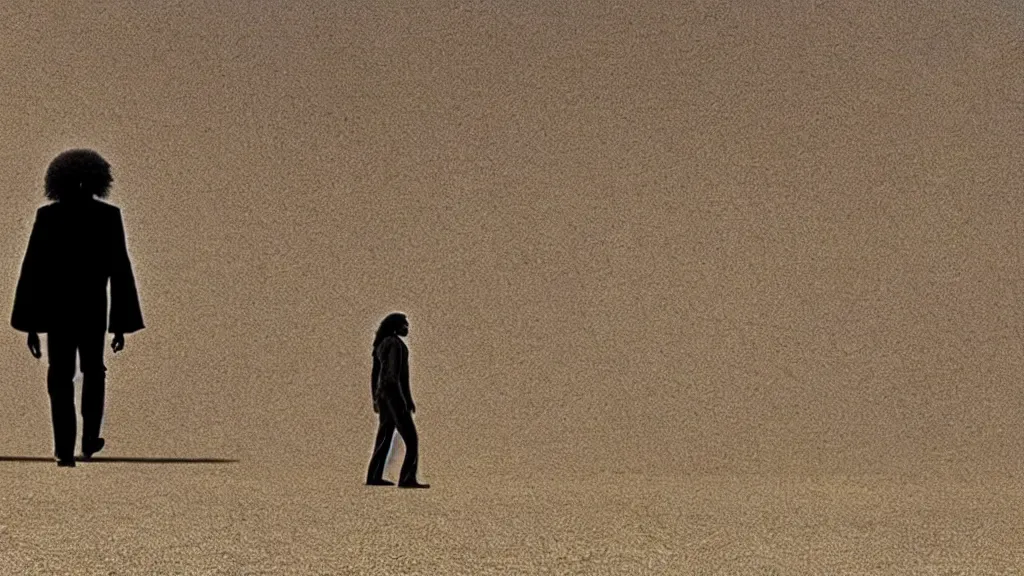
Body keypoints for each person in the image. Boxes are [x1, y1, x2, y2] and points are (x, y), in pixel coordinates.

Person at [11, 149, 145, 467]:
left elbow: (33, 271)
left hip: (59, 310)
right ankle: (85, 441)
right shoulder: (108, 217)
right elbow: (120, 270)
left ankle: (65, 447)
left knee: (61, 376)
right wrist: (120, 325)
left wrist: (31, 324)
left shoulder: (49, 217)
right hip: (92, 309)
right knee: (92, 371)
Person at [365, 312, 429, 488]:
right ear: (396, 326)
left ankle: (374, 475)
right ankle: (407, 478)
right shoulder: (395, 344)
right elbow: (394, 376)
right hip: (394, 396)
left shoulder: (380, 345)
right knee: (411, 439)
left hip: (384, 396)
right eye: (404, 325)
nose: (407, 329)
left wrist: (376, 398)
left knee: (384, 436)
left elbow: (375, 375)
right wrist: (403, 399)